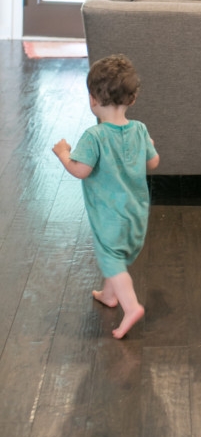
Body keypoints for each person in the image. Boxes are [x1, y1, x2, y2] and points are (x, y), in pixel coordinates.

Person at [52, 54, 159, 338]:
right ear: (132, 99)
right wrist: (148, 146)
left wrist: (64, 154)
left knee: (110, 259)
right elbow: (153, 163)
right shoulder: (140, 130)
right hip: (136, 214)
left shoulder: (94, 136)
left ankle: (131, 305)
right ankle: (110, 296)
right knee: (117, 257)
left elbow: (81, 170)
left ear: (92, 99)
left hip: (109, 217)